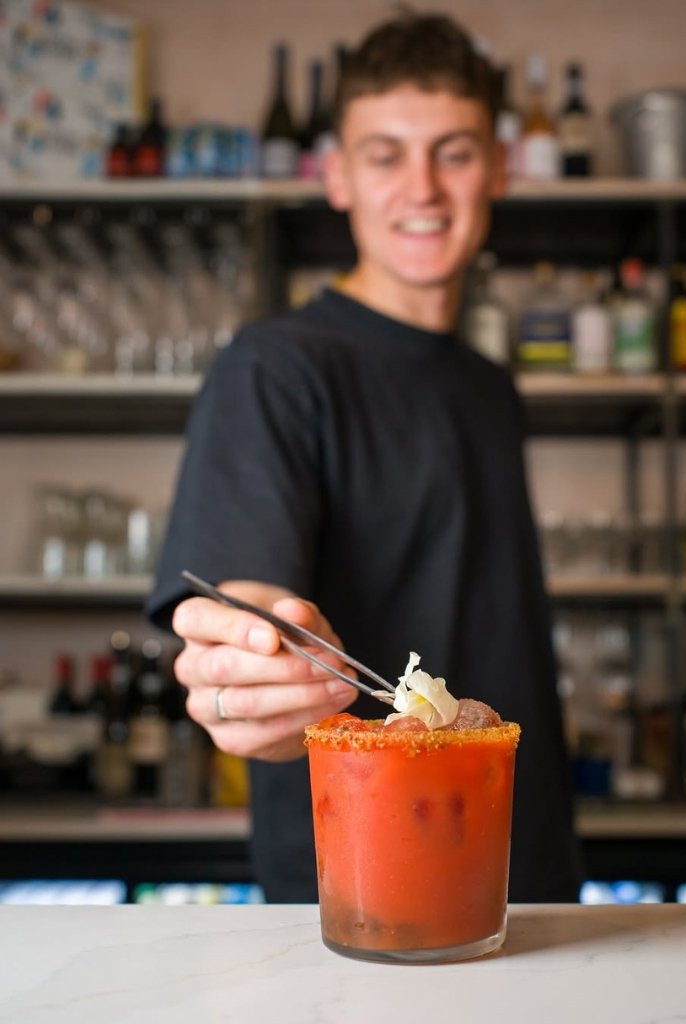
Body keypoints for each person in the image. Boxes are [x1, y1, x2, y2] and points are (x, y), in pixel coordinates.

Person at [147, 10, 582, 903]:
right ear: (337, 177)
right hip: (364, 888)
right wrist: (256, 678)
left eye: (453, 152)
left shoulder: (488, 385)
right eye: (385, 155)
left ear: (497, 168)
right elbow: (251, 602)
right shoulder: (274, 367)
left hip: (523, 862)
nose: (421, 188)